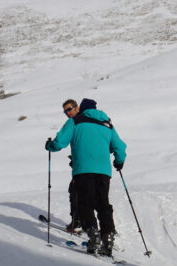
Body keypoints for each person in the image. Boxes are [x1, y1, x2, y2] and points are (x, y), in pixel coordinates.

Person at [46, 98, 126, 256]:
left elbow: (59, 142)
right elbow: (120, 147)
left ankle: (93, 235)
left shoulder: (76, 121)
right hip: (104, 171)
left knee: (85, 203)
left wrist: (50, 145)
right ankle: (108, 237)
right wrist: (119, 161)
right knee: (103, 203)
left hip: (83, 170)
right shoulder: (108, 124)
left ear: (81, 109)